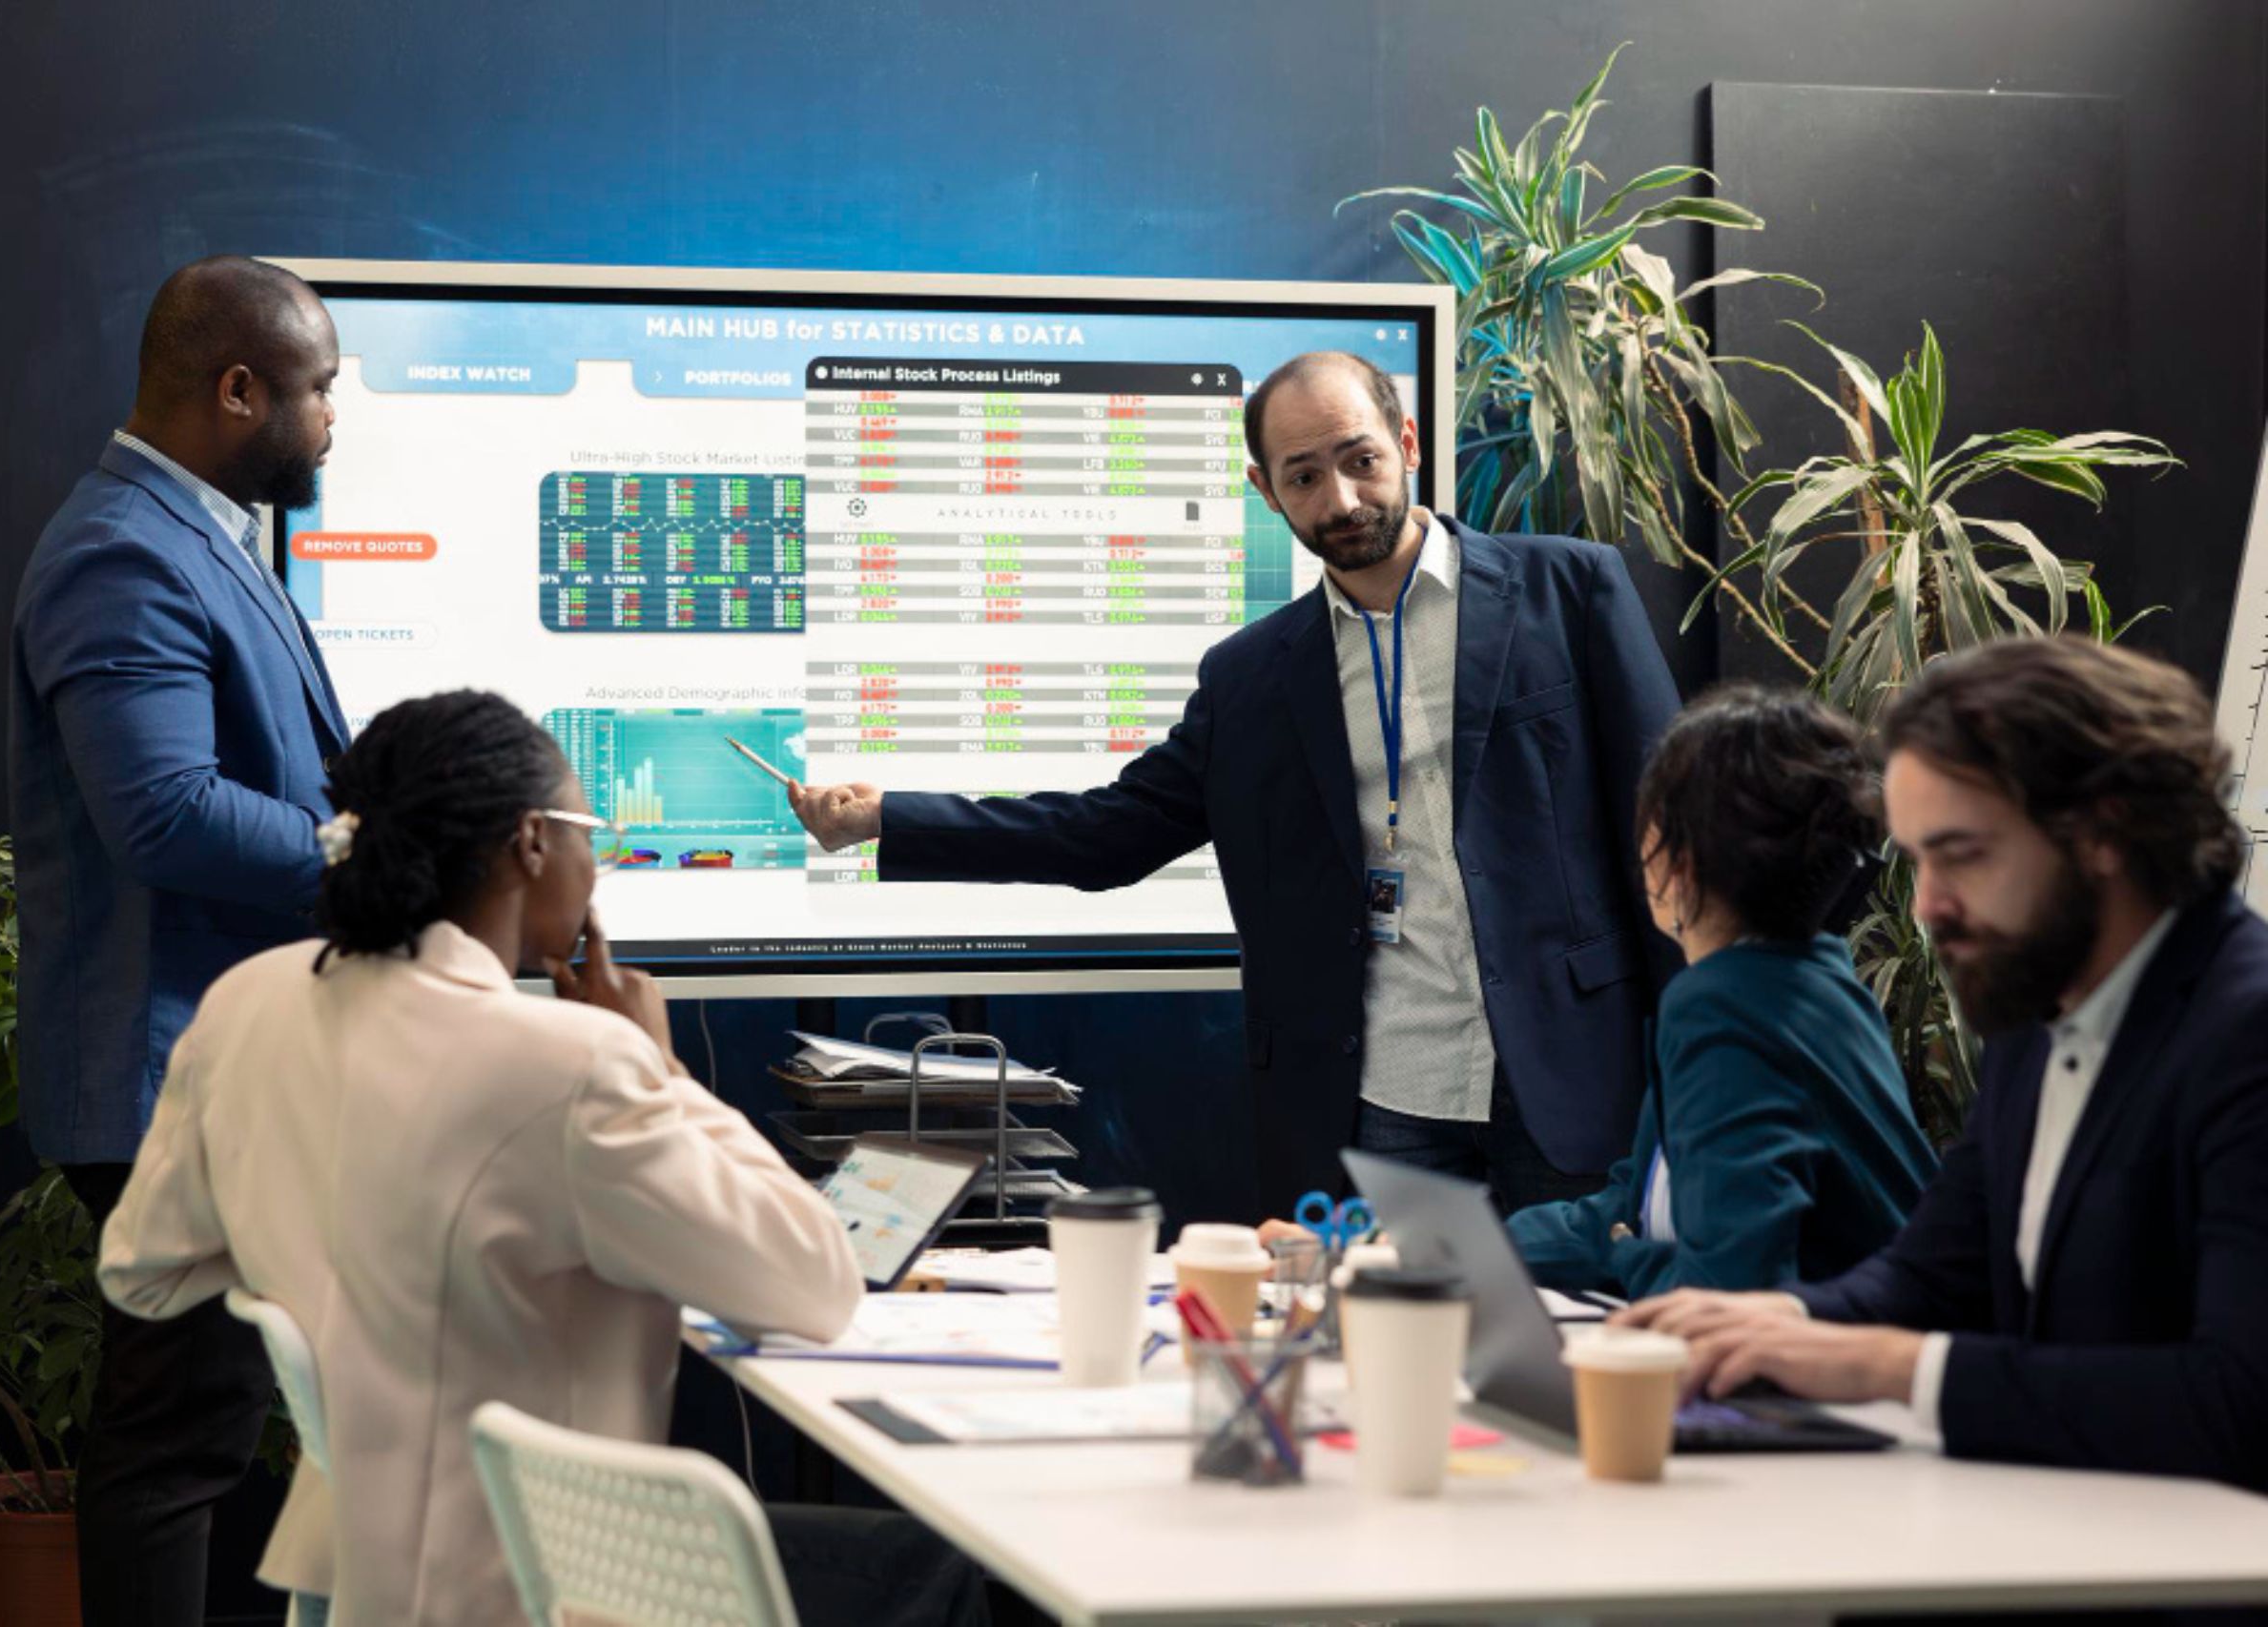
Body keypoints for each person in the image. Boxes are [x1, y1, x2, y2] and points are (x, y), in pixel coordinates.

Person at [97, 690, 995, 1627]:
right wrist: (663, 1065)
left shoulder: (248, 1001)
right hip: (540, 1583)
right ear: (532, 841)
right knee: (931, 1564)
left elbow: (144, 1273)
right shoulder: (573, 1063)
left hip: (348, 1572)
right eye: (588, 829)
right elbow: (817, 1282)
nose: (596, 861)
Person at [789, 352, 1681, 1214]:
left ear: (1406, 443)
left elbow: (1673, 835)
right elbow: (1109, 834)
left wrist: (1696, 1057)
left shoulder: (1567, 591)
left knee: (1581, 1353)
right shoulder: (1253, 676)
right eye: (1301, 477)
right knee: (1375, 1357)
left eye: (1360, 461)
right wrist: (885, 820)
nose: (1339, 499)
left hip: (1569, 1072)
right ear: (1265, 490)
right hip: (1378, 1100)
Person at [1621, 636, 2268, 1492]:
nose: (1928, 907)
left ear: (2107, 830)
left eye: (1962, 854)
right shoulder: (2038, 1010)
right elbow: (1929, 1276)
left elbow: (2240, 1405)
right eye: (1917, 860)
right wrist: (1772, 1318)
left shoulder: (2245, 1035)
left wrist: (1895, 1368)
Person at [9, 254, 349, 1624]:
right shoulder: (121, 546)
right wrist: (366, 859)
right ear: (239, 388)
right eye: (321, 387)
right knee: (177, 1443)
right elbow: (161, 813)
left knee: (200, 1433)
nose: (338, 415)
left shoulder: (200, 529)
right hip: (164, 1083)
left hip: (208, 1075)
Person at [1502, 686, 1936, 1297]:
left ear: (1678, 862)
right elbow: (1635, 1202)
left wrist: (1626, 1254)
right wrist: (1476, 1245)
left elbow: (1726, 1293)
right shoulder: (1819, 976)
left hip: (1809, 1377)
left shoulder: (1722, 1005)